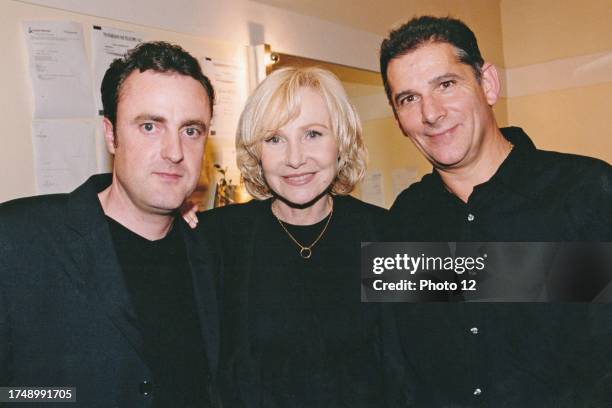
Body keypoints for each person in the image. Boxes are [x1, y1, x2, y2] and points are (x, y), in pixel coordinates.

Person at [378, 16, 612, 406]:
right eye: (409, 98)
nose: (430, 113)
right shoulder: (404, 219)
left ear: (487, 83)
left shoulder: (586, 192)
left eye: (446, 85)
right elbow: (403, 365)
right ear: (399, 118)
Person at [0, 42, 220, 407]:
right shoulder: (17, 240)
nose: (175, 151)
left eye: (191, 130)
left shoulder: (213, 250)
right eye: (150, 126)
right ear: (111, 134)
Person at [192, 66, 388, 407]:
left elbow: (494, 290)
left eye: (313, 134)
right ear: (257, 153)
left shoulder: (384, 234)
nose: (295, 158)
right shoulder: (217, 240)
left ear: (341, 141)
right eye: (274, 139)